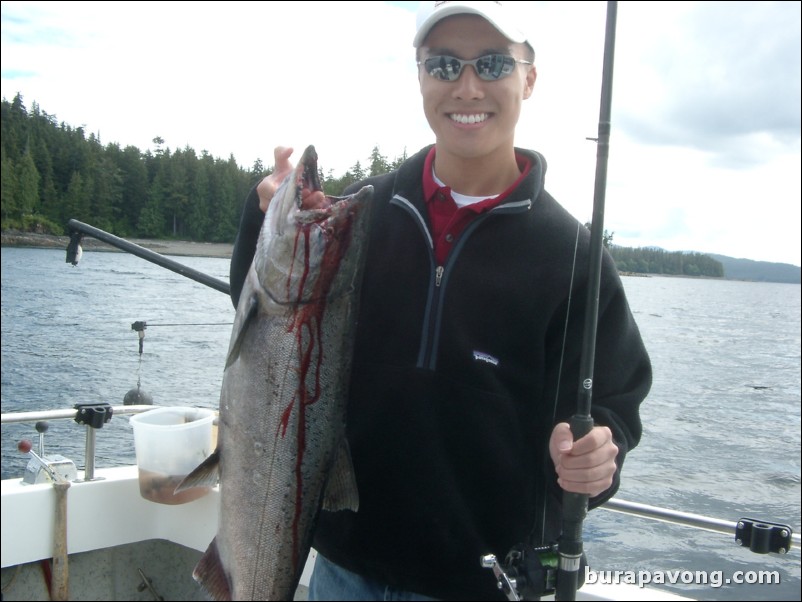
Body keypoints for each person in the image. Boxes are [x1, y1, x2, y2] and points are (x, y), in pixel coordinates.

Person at [229, 2, 651, 600]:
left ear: (529, 78)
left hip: (478, 580)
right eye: (445, 64)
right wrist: (263, 219)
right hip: (341, 571)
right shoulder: (350, 219)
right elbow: (260, 336)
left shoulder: (574, 256)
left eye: (494, 62)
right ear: (421, 77)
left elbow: (615, 402)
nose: (467, 86)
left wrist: (598, 454)